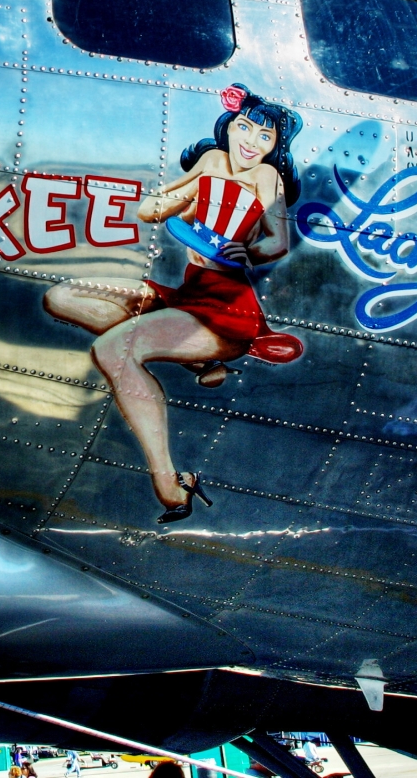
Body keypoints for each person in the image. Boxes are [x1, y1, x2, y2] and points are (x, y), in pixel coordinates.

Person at [44, 84, 304, 523]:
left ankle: (171, 482)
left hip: (227, 309)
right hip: (189, 291)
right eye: (245, 127)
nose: (251, 141)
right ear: (229, 127)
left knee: (113, 350)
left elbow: (278, 242)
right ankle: (194, 360)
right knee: (61, 297)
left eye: (266, 137)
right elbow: (151, 210)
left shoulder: (267, 179)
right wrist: (184, 203)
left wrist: (250, 252)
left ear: (276, 146)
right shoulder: (210, 162)